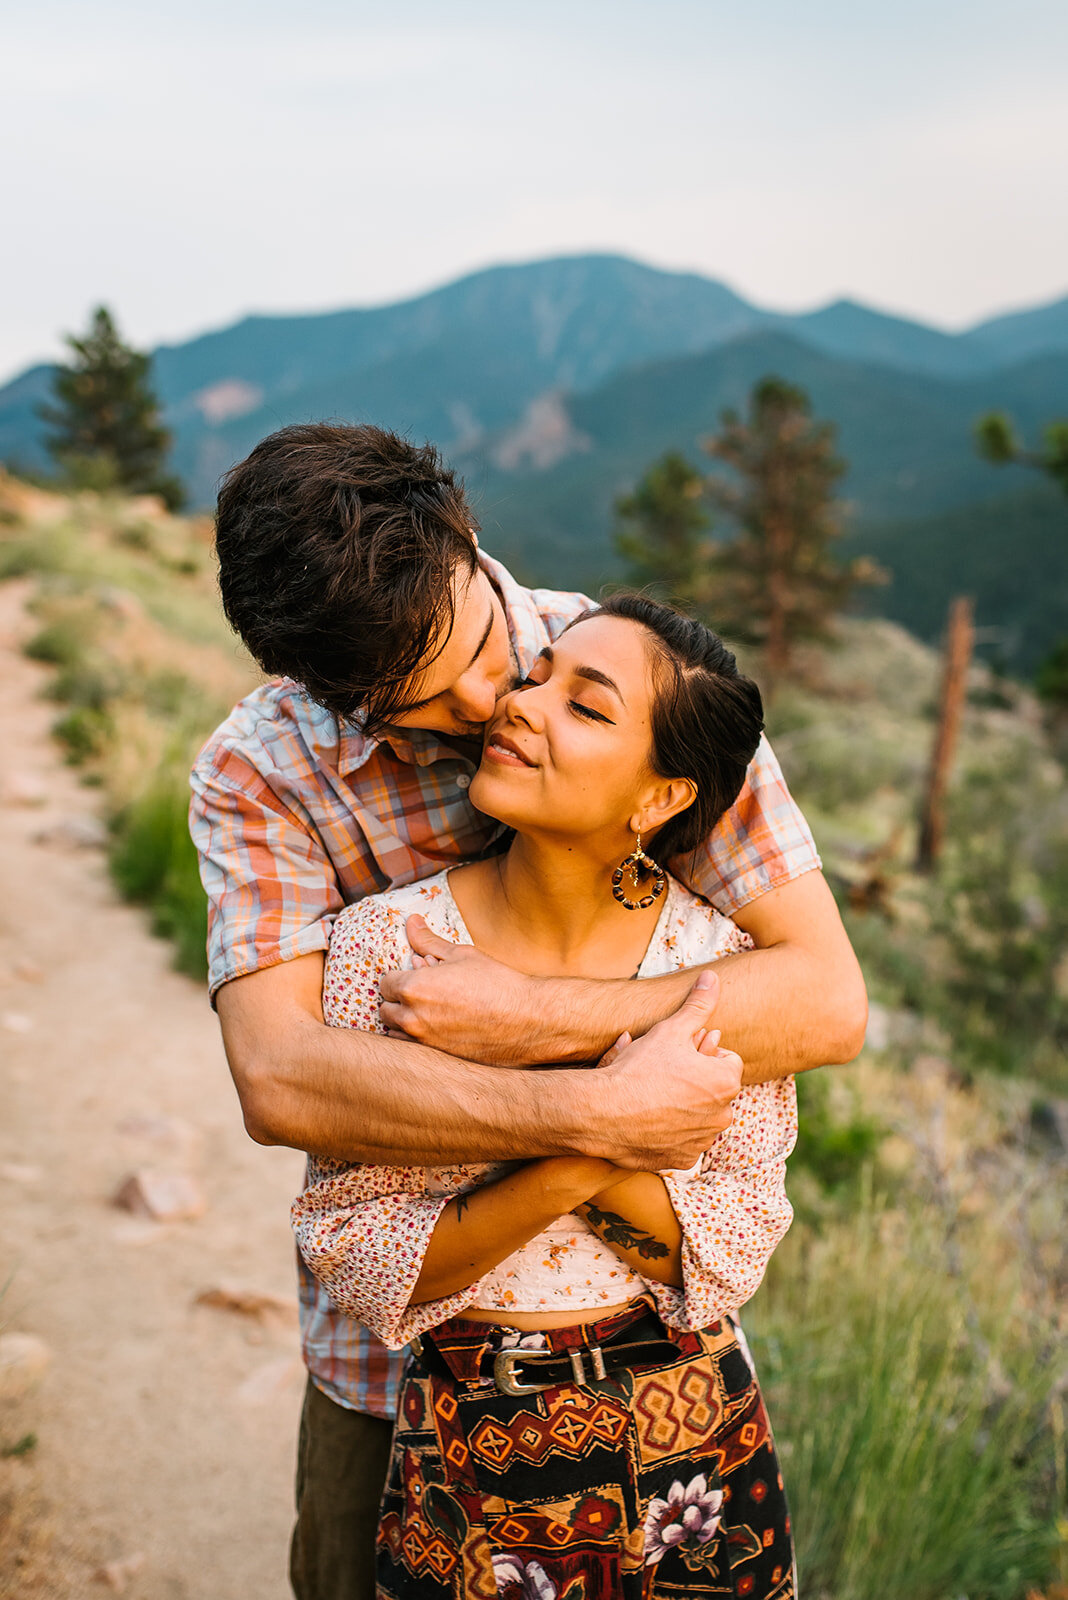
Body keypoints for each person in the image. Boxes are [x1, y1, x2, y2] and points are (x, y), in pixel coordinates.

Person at [188, 422, 866, 1599]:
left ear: (467, 538)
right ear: (320, 686)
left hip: (654, 1363)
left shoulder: (642, 677)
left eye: (487, 648)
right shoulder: (262, 770)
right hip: (392, 1364)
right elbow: (284, 1079)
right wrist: (600, 1111)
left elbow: (823, 997)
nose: (494, 698)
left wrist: (537, 1017)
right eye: (424, 701)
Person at [293, 593, 797, 1597]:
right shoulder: (388, 950)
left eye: (587, 705)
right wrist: (614, 1119)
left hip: (687, 1443)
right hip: (468, 1452)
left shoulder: (715, 968)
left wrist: (527, 1076)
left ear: (656, 801)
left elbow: (731, 1244)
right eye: (537, 676)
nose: (522, 704)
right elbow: (359, 1247)